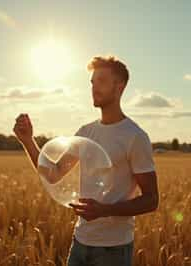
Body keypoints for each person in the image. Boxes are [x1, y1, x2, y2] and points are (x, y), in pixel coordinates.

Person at [13, 55, 159, 266]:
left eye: (101, 81)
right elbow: (53, 174)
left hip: (113, 250)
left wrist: (105, 210)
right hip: (80, 242)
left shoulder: (134, 136)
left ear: (120, 87)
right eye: (92, 82)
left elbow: (152, 199)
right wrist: (27, 141)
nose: (93, 88)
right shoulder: (85, 132)